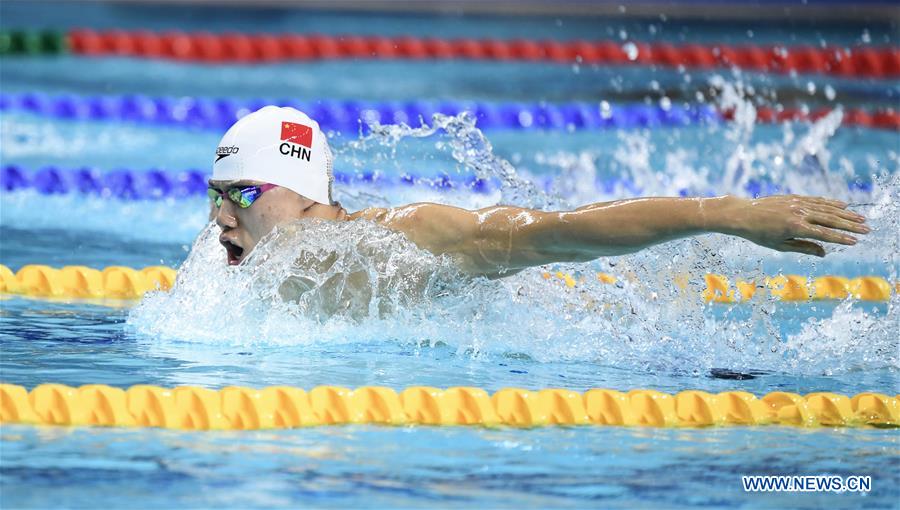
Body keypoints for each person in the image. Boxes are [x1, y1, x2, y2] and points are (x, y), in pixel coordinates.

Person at [208, 106, 869, 278]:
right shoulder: (224, 269)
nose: (217, 217)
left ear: (296, 192)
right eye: (214, 194)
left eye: (237, 194)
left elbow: (556, 231)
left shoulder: (400, 244)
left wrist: (730, 214)